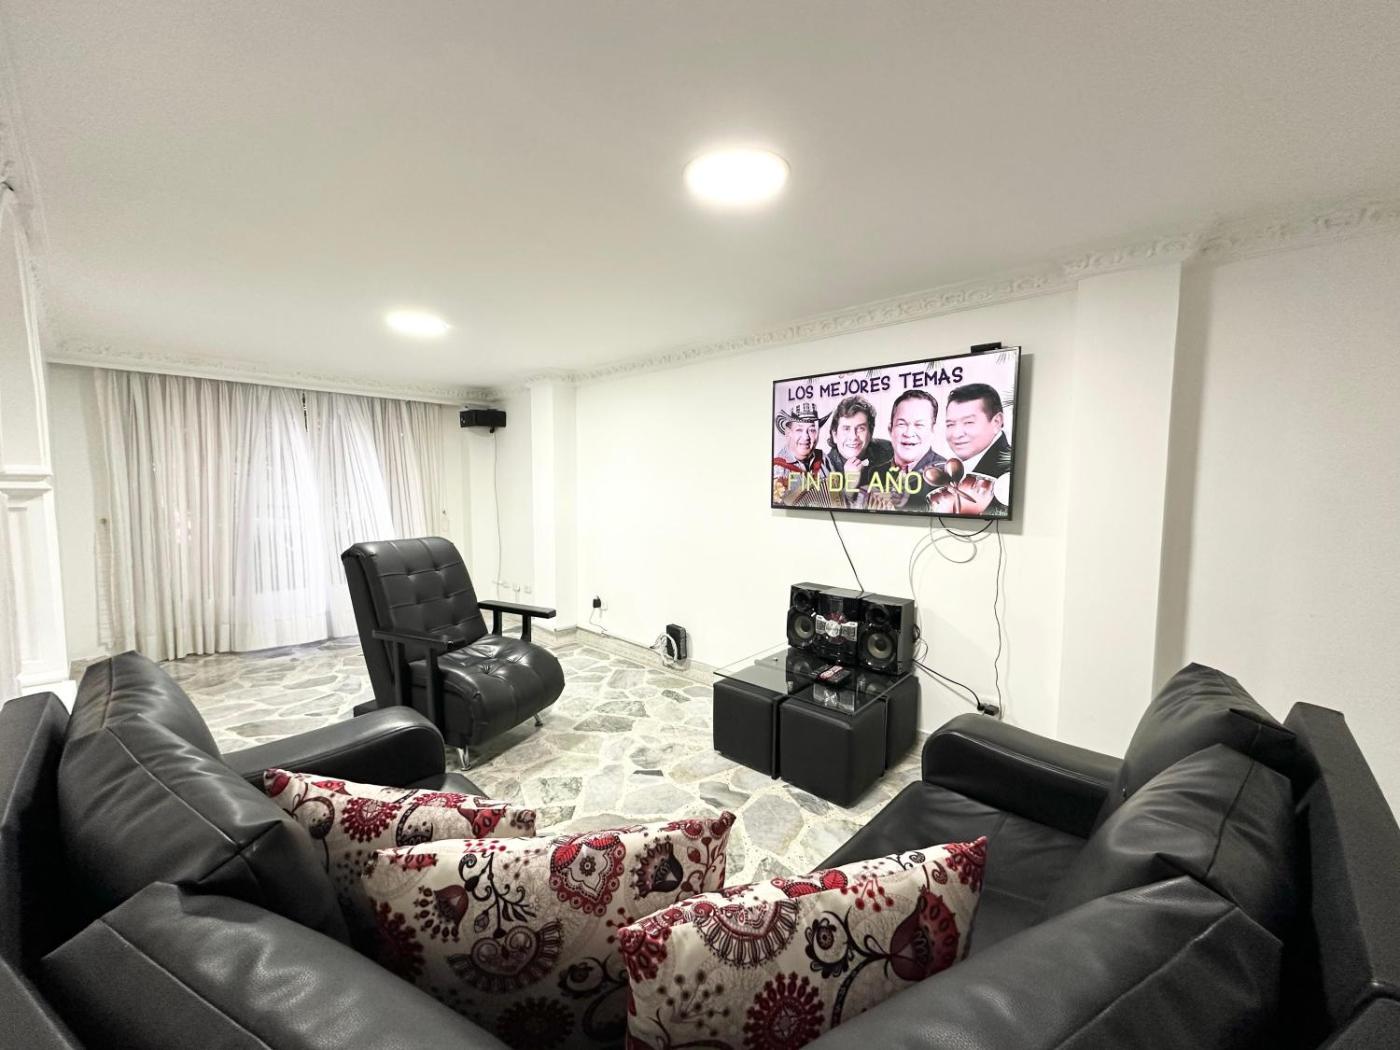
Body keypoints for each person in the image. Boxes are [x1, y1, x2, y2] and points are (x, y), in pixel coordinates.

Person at [867, 389, 945, 510]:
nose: (908, 433)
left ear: (933, 430)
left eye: (919, 425)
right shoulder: (875, 472)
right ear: (890, 429)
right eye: (901, 424)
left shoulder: (946, 475)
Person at [824, 394, 893, 499]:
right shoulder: (824, 471)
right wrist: (850, 486)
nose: (853, 437)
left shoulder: (889, 450)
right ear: (835, 436)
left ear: (870, 433)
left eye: (860, 428)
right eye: (846, 429)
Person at [944, 383, 1012, 477]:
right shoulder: (950, 470)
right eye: (950, 424)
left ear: (997, 422)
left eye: (968, 422)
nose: (957, 434)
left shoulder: (1007, 472)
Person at [771, 402, 830, 505]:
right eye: (799, 429)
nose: (806, 437)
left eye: (812, 430)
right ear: (788, 433)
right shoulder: (777, 469)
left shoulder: (823, 458)